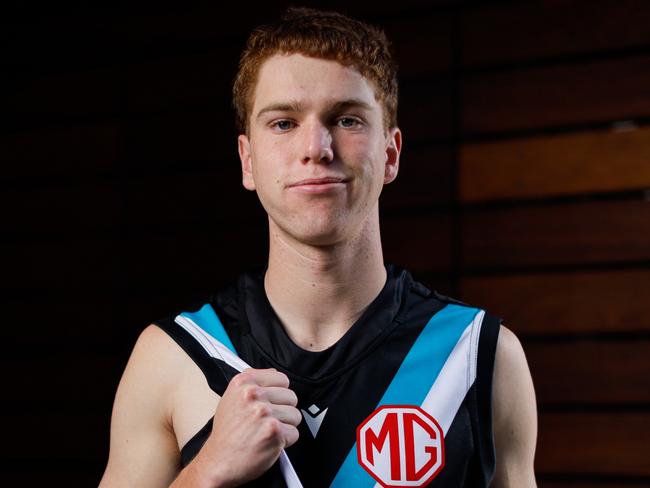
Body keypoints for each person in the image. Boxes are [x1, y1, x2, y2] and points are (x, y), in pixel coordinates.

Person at [99, 7, 537, 488]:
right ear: (248, 160)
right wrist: (205, 474)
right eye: (283, 123)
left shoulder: (479, 356)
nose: (317, 146)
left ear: (390, 154)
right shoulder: (173, 356)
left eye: (347, 119)